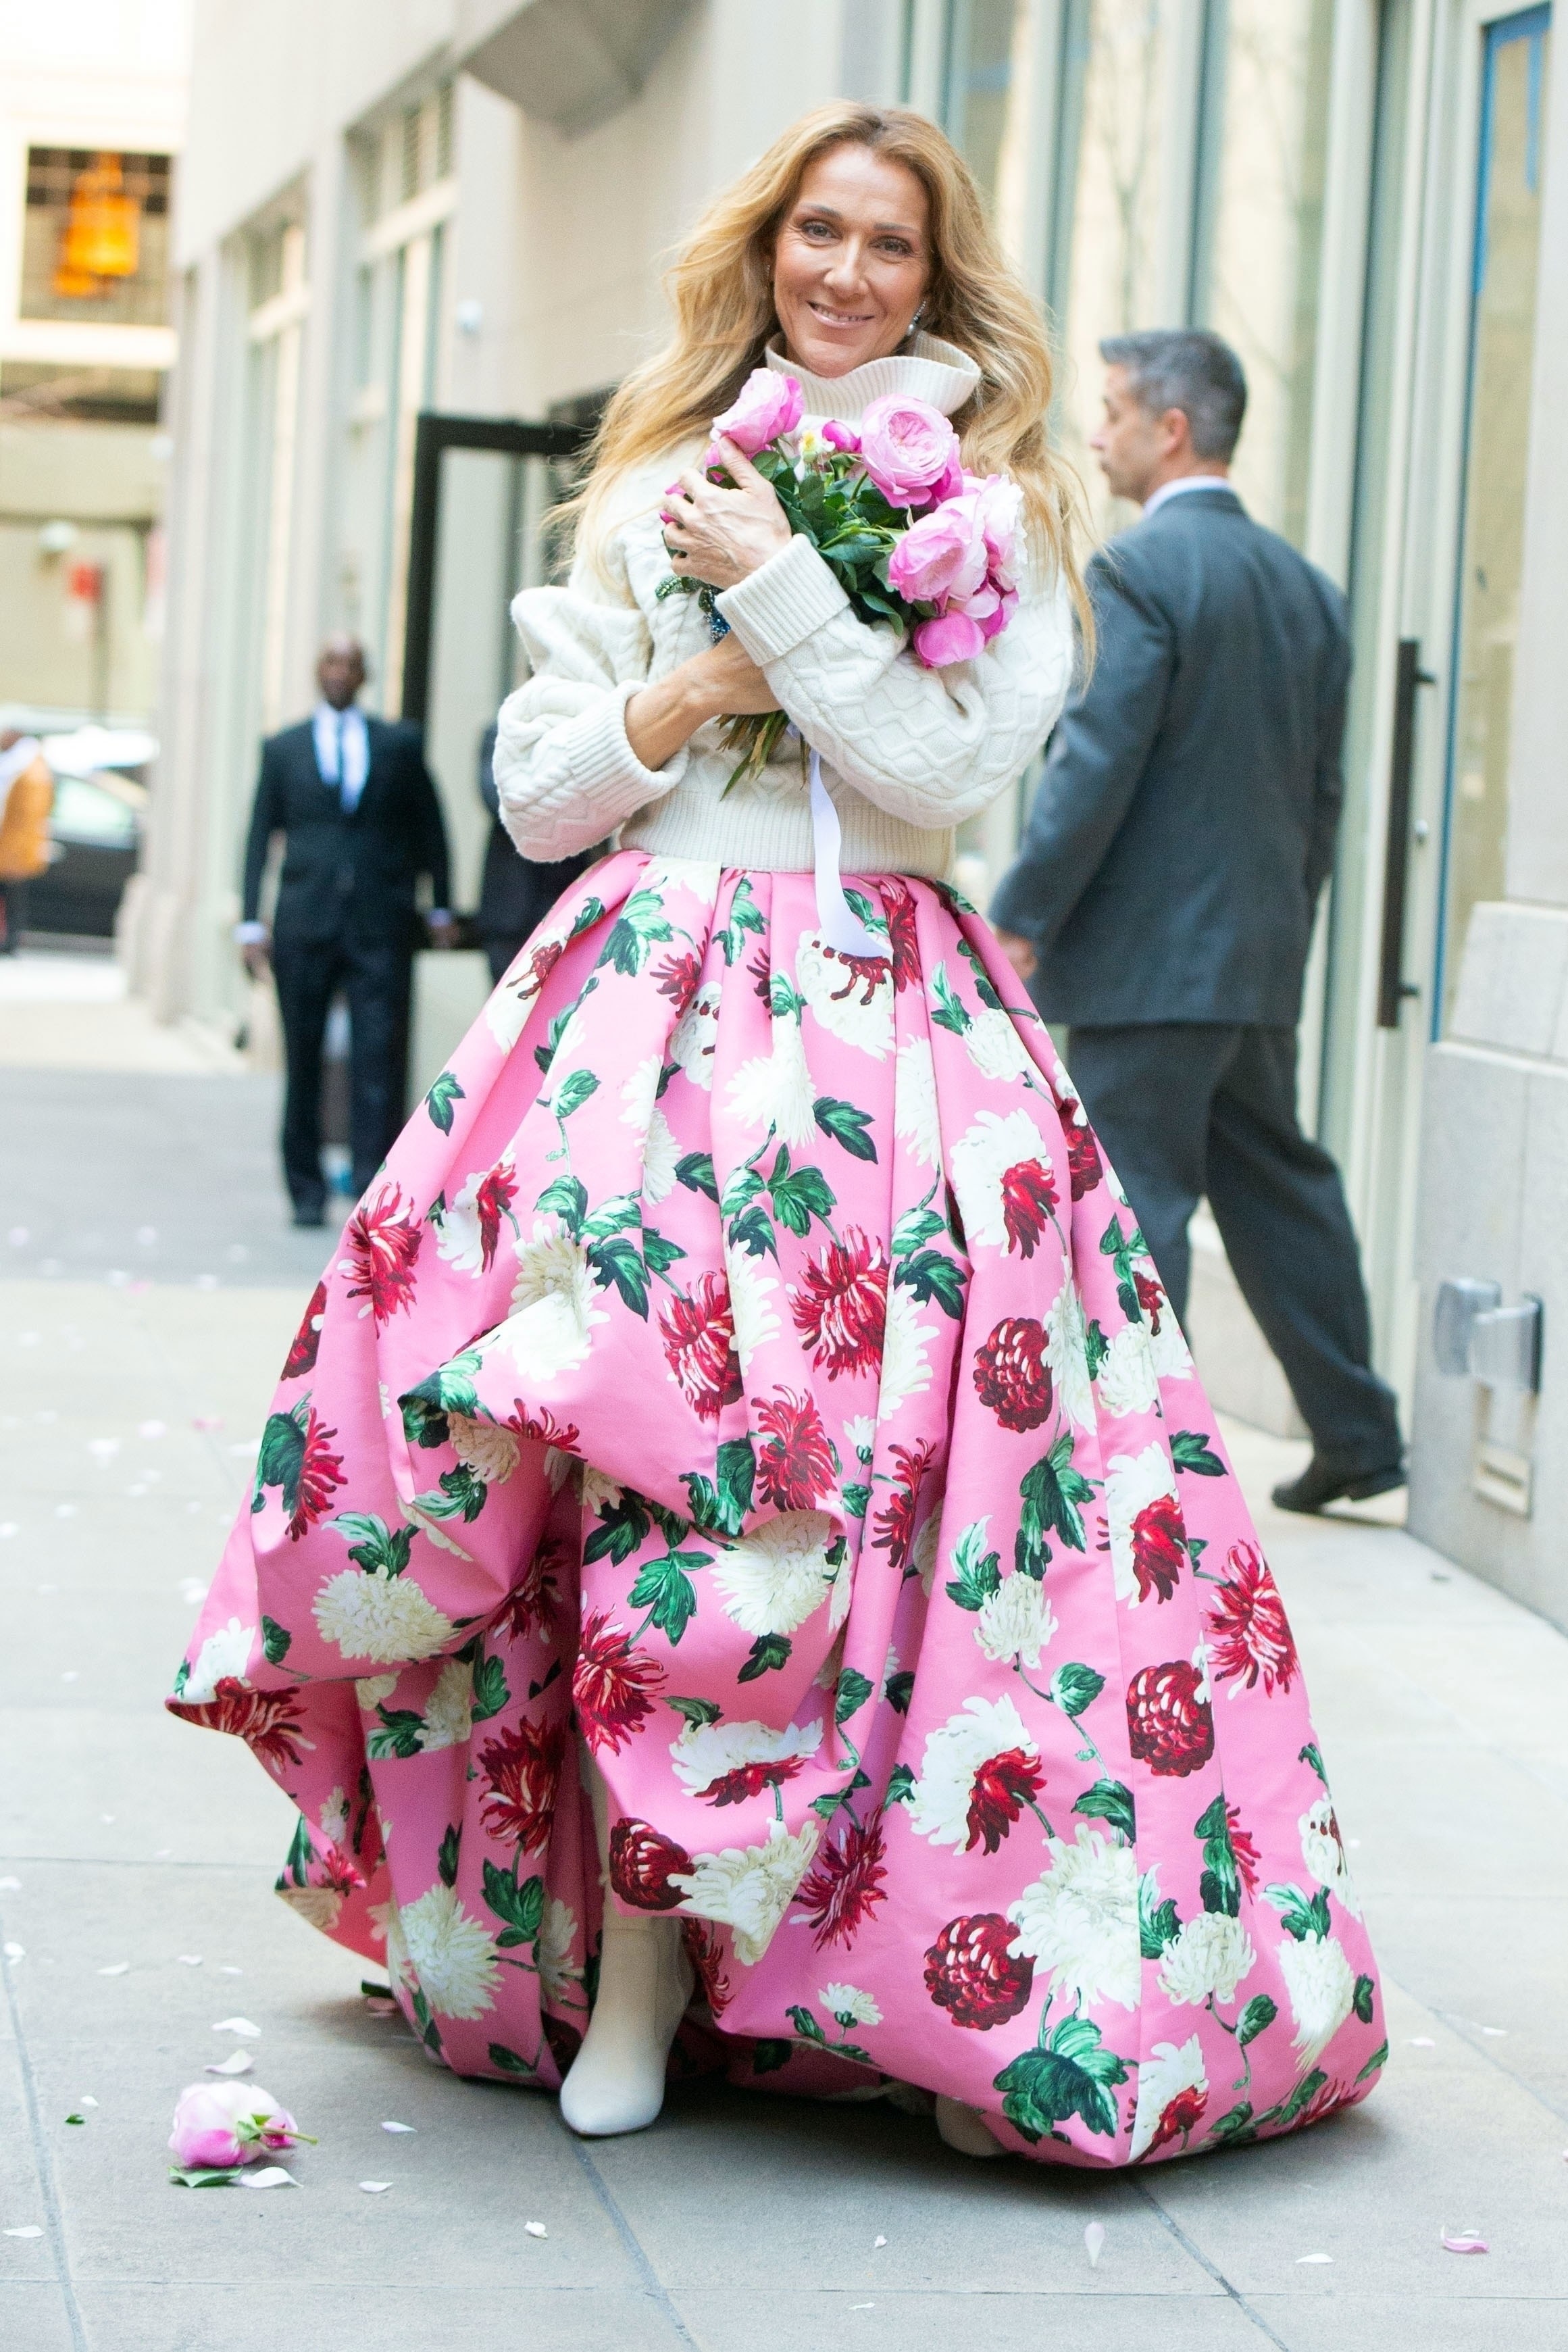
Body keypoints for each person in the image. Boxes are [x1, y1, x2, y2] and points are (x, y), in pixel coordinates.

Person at [172, 113, 1383, 2170]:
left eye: (883, 243)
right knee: (617, 1466)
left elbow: (940, 762)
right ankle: (623, 1966)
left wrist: (794, 603)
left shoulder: (992, 507)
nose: (840, 269)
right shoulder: (650, 480)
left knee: (845, 1505)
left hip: (888, 1040)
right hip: (642, 1009)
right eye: (813, 230)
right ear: (766, 250)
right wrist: (688, 679)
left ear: (932, 275)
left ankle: (797, 1943)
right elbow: (547, 789)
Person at [992, 331, 1404, 1518]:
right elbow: (1321, 797)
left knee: (1137, 1208)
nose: (1099, 434)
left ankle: (1141, 1461)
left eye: (1113, 412)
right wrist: (1281, 934)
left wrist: (1021, 916)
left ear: (1172, 431)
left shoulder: (1136, 573)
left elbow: (1095, 762)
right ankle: (1357, 1432)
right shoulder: (1309, 589)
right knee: (1284, 1190)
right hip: (1254, 961)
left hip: (1142, 970)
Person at [237, 636, 456, 1227]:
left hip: (379, 923)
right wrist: (250, 920)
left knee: (377, 1058)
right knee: (302, 1059)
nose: (339, 672)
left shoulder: (399, 745)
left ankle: (369, 1184)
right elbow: (260, 835)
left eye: (350, 664)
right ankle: (304, 1188)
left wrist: (440, 905)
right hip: (304, 925)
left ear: (365, 674)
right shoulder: (283, 749)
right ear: (317, 672)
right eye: (330, 662)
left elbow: (430, 825)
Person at [472, 721, 603, 985]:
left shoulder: (586, 731)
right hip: (511, 904)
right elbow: (500, 802)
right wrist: (565, 794)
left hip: (569, 899)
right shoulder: (500, 733)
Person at [0, 730, 54, 953]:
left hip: (16, 849)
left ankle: (10, 942)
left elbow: (25, 818)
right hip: (14, 846)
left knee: (13, 898)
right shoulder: (25, 767)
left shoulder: (27, 771)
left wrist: (14, 853)